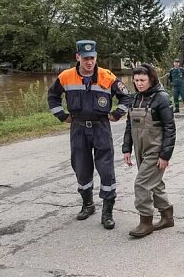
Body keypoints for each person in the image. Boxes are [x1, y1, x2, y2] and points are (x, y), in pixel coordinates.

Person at [47, 40, 131, 230]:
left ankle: (107, 211)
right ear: (78, 57)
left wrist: (117, 114)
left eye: (92, 58)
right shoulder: (66, 76)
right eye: (85, 58)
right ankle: (88, 204)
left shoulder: (107, 76)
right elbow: (52, 96)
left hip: (101, 127)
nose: (89, 62)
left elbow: (126, 96)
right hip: (77, 127)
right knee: (81, 167)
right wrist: (61, 115)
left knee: (106, 169)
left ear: (96, 57)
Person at [123, 63, 176, 238]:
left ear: (151, 79)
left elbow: (170, 128)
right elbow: (128, 125)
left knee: (142, 183)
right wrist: (126, 149)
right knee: (154, 182)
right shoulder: (135, 98)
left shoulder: (162, 98)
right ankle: (167, 216)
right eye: (136, 80)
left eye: (142, 80)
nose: (139, 83)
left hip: (155, 148)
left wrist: (165, 155)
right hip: (139, 148)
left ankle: (145, 221)